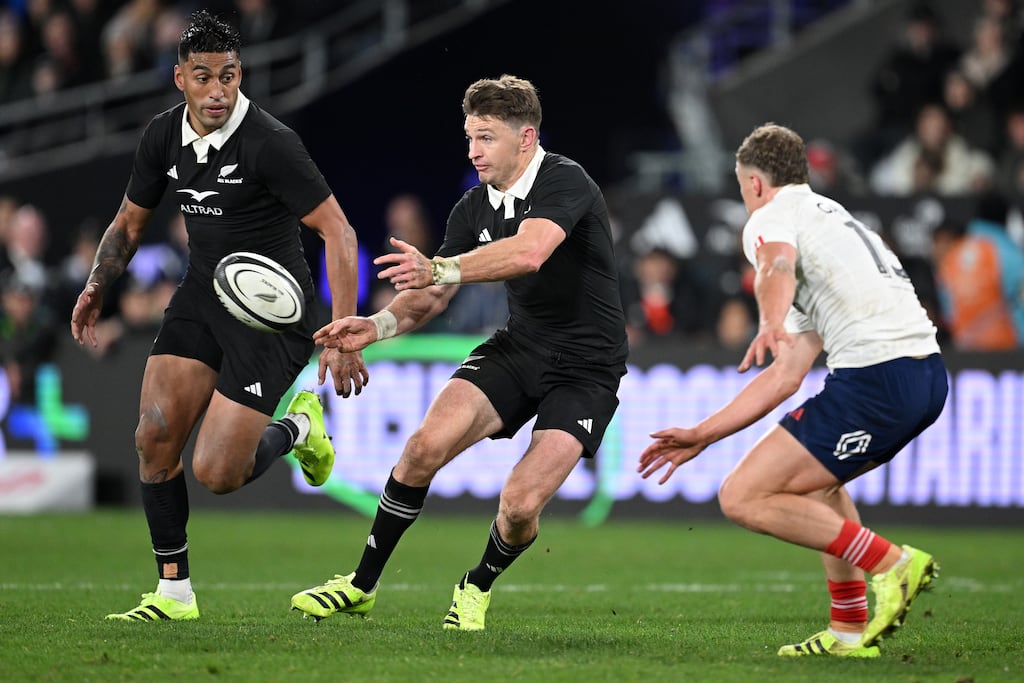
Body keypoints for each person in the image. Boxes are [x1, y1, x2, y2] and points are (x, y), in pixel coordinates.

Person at [290, 74, 628, 631]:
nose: (473, 151)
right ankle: (361, 585)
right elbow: (432, 297)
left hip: (588, 368)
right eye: (469, 137)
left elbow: (531, 252)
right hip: (521, 346)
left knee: (519, 508)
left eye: (486, 137)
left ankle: (477, 584)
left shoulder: (566, 179)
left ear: (526, 138)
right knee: (422, 448)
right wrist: (372, 327)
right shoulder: (472, 208)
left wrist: (440, 267)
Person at [69, 9, 367, 622]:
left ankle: (299, 429)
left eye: (228, 76)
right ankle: (174, 592)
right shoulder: (161, 137)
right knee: (153, 435)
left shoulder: (270, 142)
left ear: (241, 74)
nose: (217, 91)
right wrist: (98, 283)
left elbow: (339, 233)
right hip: (204, 294)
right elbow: (129, 223)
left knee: (217, 473)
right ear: (179, 78)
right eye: (202, 77)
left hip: (272, 316)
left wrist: (341, 333)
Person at [639, 123, 947, 657]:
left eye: (741, 187)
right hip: (922, 376)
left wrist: (769, 317)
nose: (743, 198)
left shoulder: (773, 218)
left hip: (878, 379)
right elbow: (787, 374)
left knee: (741, 496)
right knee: (816, 485)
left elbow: (775, 263)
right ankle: (849, 632)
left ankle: (893, 564)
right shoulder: (830, 220)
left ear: (755, 183)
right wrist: (703, 435)